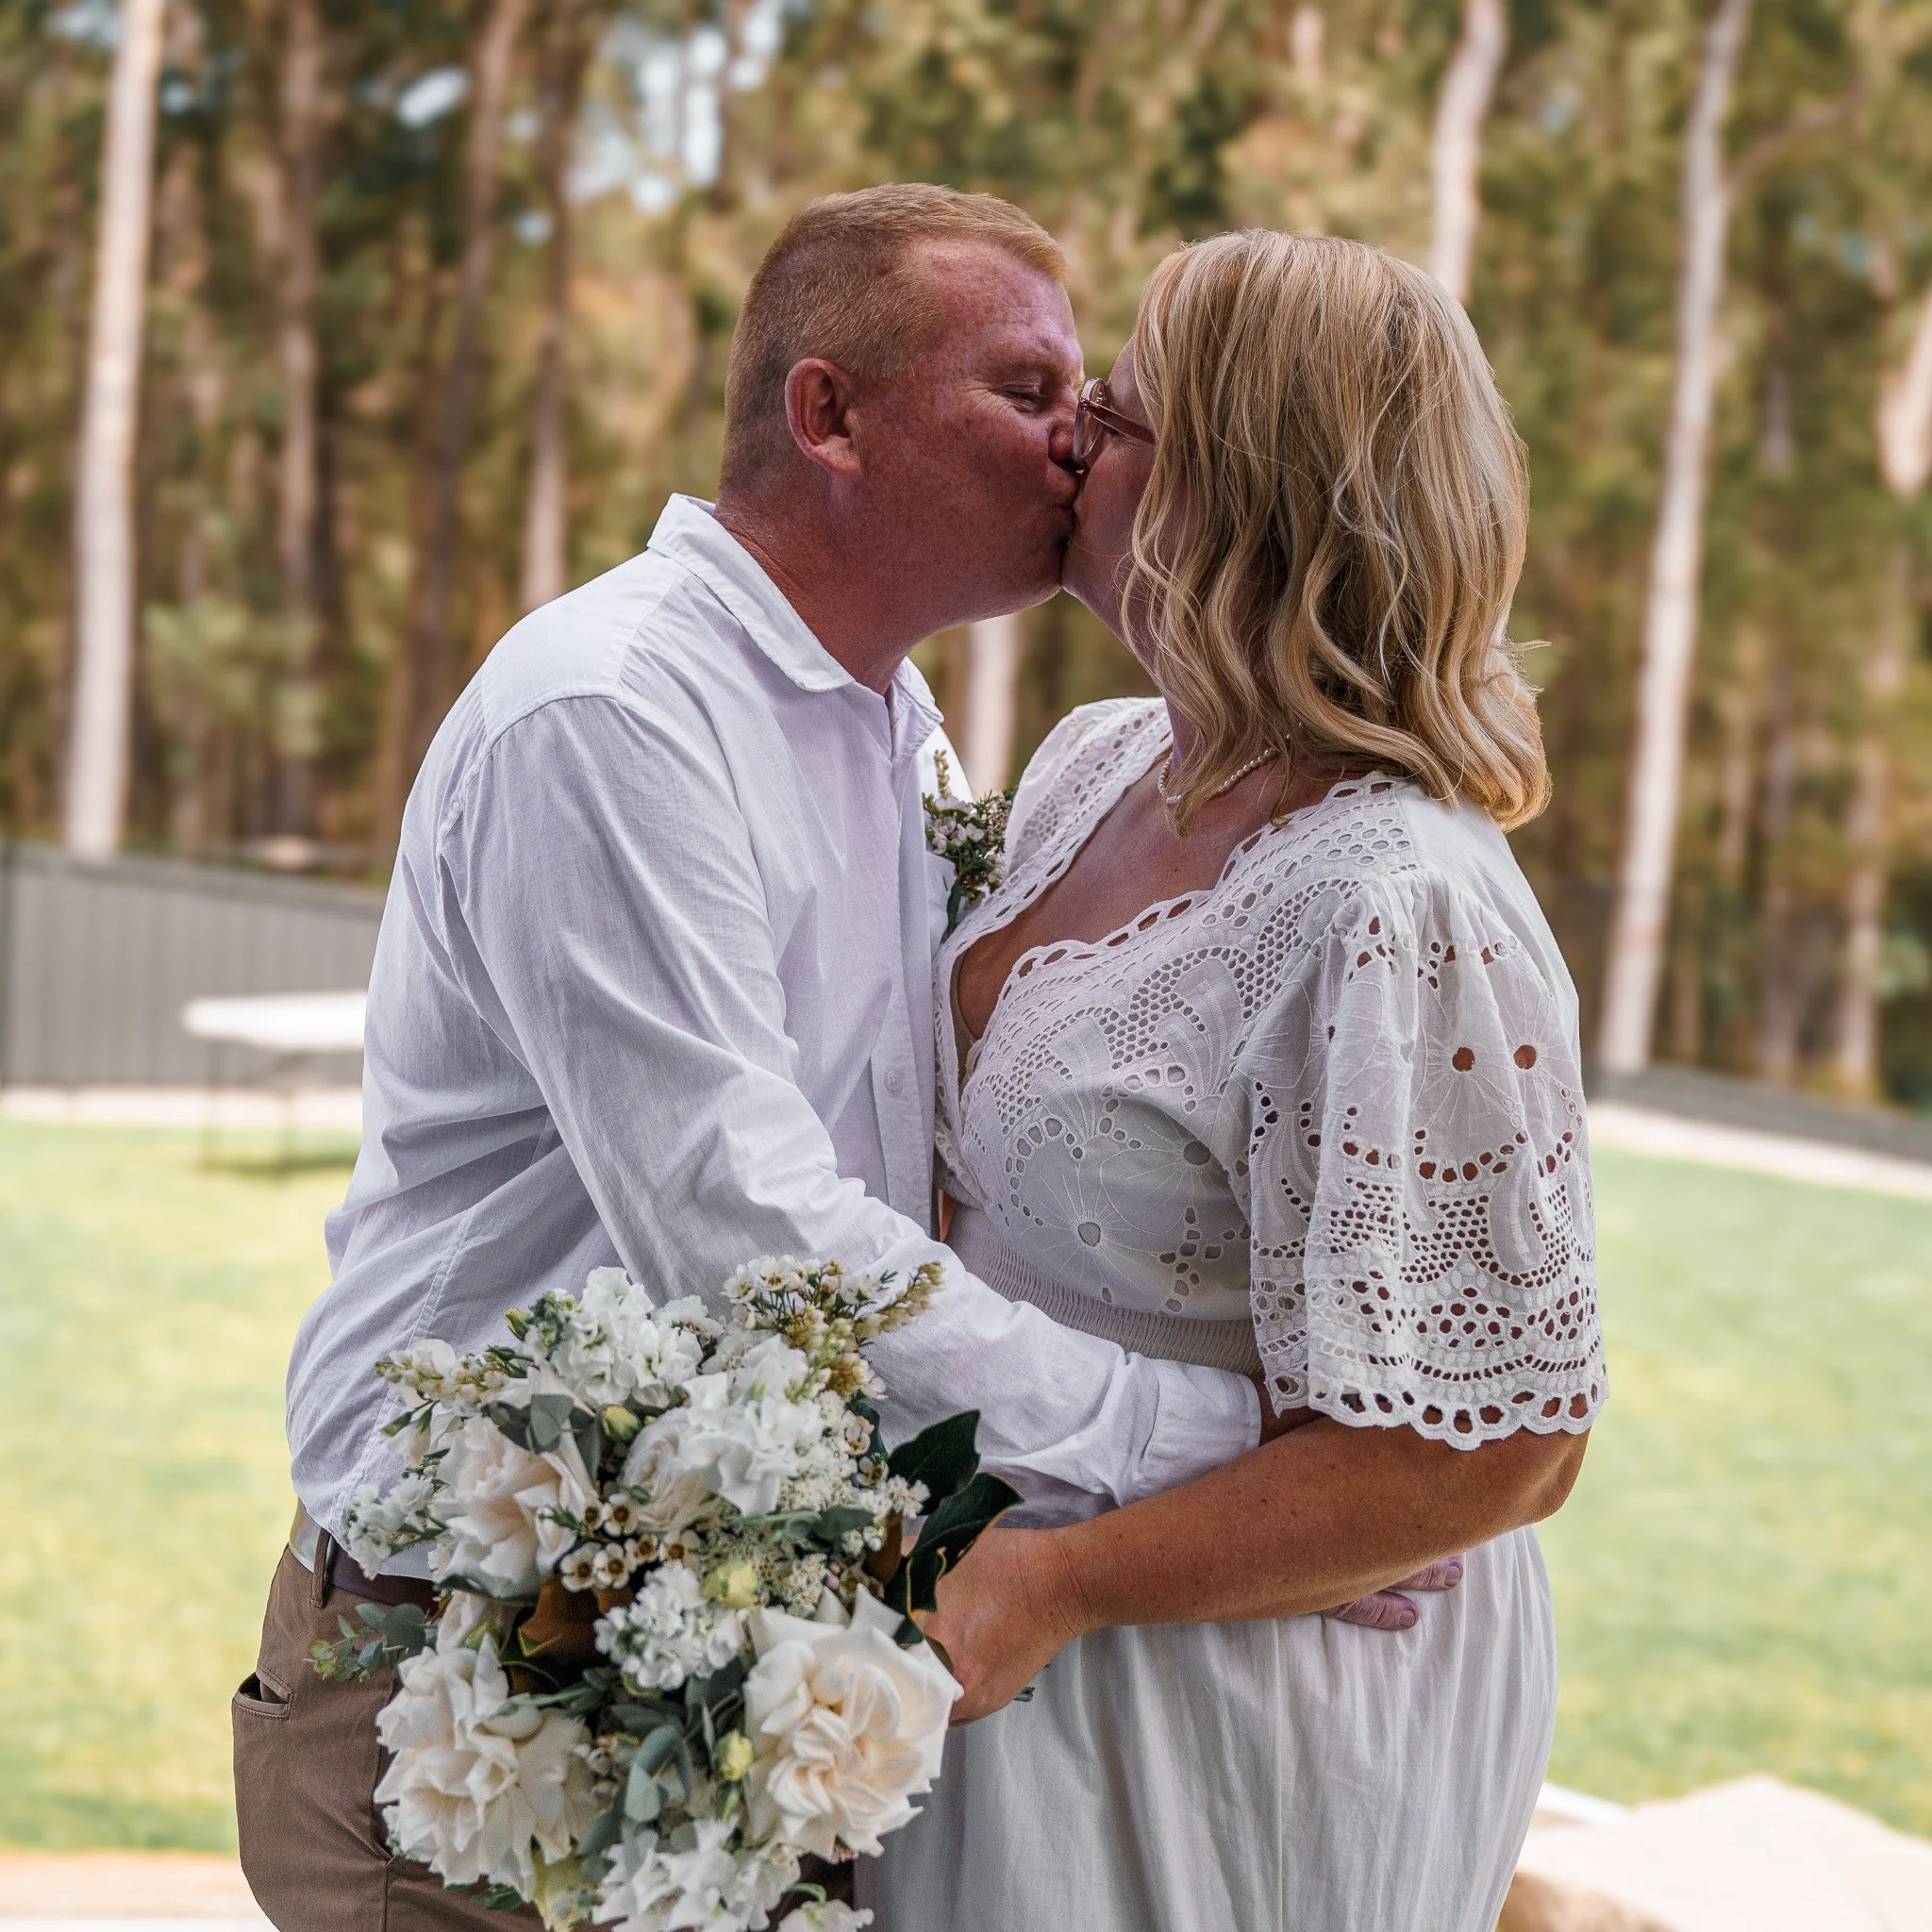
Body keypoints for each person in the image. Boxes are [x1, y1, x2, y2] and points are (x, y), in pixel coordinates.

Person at [233, 187, 1437, 1932]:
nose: (1080, 442)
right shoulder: (615, 715)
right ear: (831, 415)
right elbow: (759, 1241)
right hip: (469, 1687)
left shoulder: (896, 723)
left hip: (751, 1655)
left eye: (1090, 402)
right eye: (1028, 390)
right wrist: (1230, 1460)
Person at [860, 231, 1606, 1932]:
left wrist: (1062, 1583)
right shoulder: (1096, 761)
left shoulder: (1397, 904)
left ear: (1235, 498)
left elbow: (1492, 1451)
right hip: (1003, 1617)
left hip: (1225, 1693)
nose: (1071, 445)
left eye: (1115, 418)